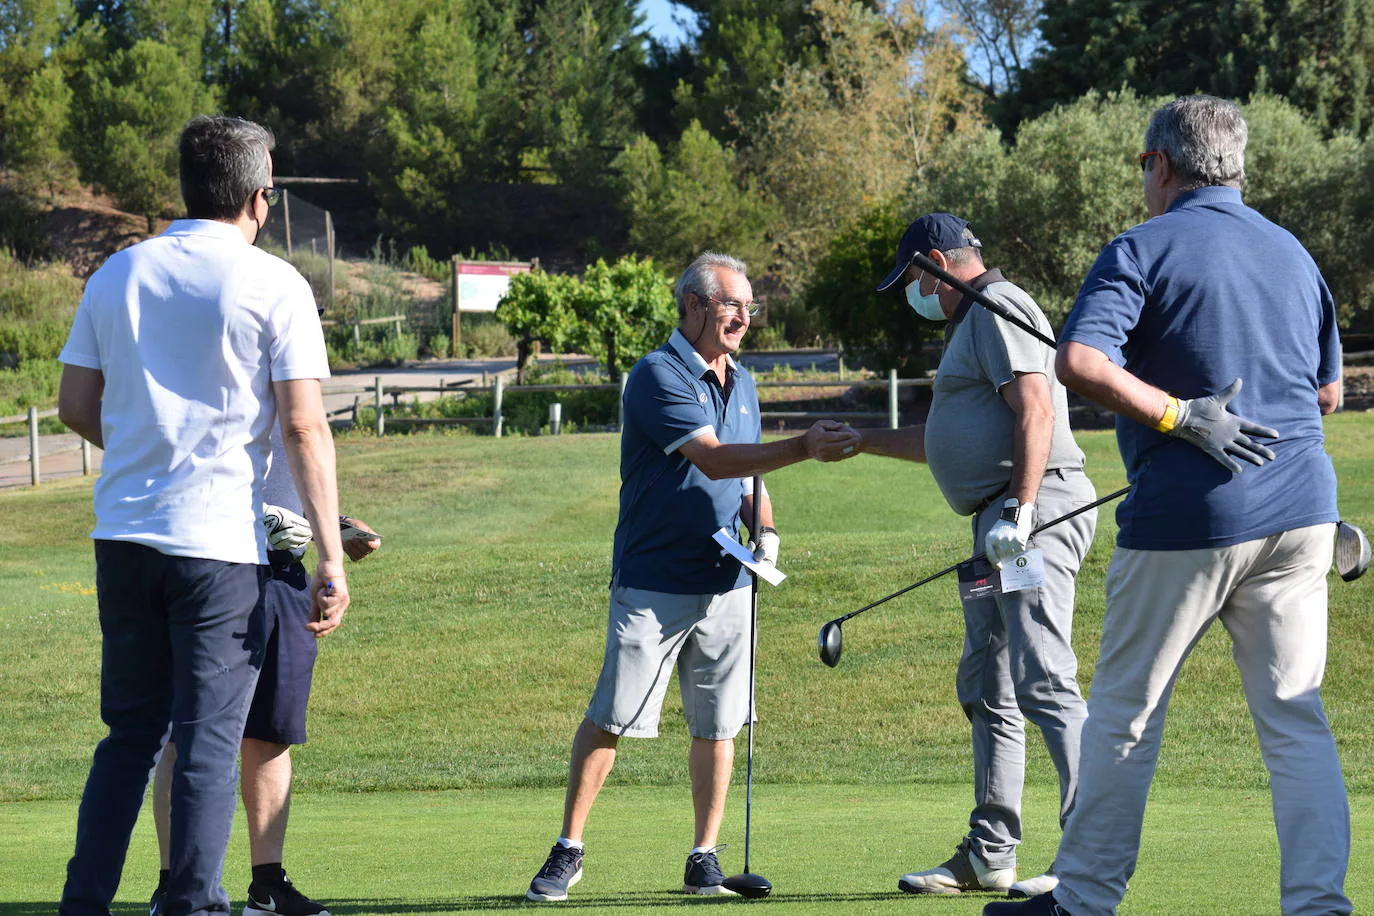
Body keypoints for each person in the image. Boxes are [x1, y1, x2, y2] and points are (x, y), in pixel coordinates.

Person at [984, 96, 1350, 916]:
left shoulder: (1141, 248)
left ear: (1160, 164)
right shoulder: (1294, 254)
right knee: (1296, 723)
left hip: (1190, 519)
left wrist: (1178, 416)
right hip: (1301, 515)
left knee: (1123, 716)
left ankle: (1081, 901)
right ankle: (1320, 906)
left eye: (1142, 169)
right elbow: (1327, 392)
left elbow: (1079, 360)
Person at [56, 114, 348, 916]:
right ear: (262, 196)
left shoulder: (116, 274)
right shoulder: (273, 282)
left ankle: (83, 904)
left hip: (123, 536)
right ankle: (192, 906)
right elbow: (302, 427)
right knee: (209, 740)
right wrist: (331, 554)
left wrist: (152, 442)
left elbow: (75, 405)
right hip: (218, 546)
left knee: (130, 737)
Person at [524, 251, 860, 902]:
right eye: (731, 304)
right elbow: (712, 459)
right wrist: (804, 446)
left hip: (727, 580)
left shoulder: (746, 381)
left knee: (719, 722)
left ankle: (704, 856)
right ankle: (570, 847)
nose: (744, 317)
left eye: (749, 307)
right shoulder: (656, 375)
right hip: (655, 577)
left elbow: (745, 478)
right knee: (613, 715)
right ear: (694, 306)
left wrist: (764, 527)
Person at [859, 214, 1098, 898]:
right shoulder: (973, 325)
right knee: (987, 682)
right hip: (997, 521)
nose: (913, 294)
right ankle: (991, 853)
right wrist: (863, 439)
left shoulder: (999, 305)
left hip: (1032, 510)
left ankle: (1088, 854)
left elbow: (1035, 409)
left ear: (937, 262)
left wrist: (1021, 512)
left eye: (912, 280)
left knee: (1043, 674)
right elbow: (950, 437)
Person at [148, 470, 381, 916]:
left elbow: (294, 479)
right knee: (187, 734)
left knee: (272, 733)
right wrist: (249, 517)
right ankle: (174, 884)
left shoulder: (297, 405)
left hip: (284, 577)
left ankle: (268, 888)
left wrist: (334, 524)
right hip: (206, 569)